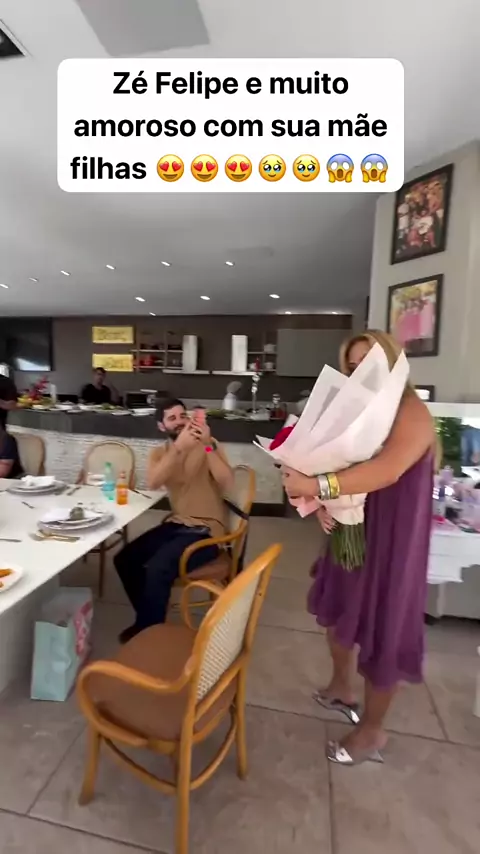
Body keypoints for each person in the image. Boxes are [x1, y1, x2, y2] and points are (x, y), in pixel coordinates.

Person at [282, 330, 435, 766]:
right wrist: (321, 504)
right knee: (338, 609)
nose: (359, 371)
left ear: (392, 362)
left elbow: (387, 470)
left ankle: (372, 731)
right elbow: (331, 462)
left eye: (369, 361)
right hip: (350, 529)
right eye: (352, 366)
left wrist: (317, 486)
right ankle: (341, 688)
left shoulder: (411, 410)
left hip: (392, 537)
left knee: (384, 627)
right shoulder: (352, 412)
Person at [114, 398, 234, 643]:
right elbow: (154, 482)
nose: (180, 422)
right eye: (172, 418)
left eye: (182, 416)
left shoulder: (208, 445)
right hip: (178, 524)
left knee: (159, 567)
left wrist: (207, 444)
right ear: (162, 426)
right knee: (124, 559)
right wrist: (178, 449)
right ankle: (150, 619)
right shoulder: (160, 454)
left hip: (207, 531)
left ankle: (150, 632)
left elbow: (227, 482)